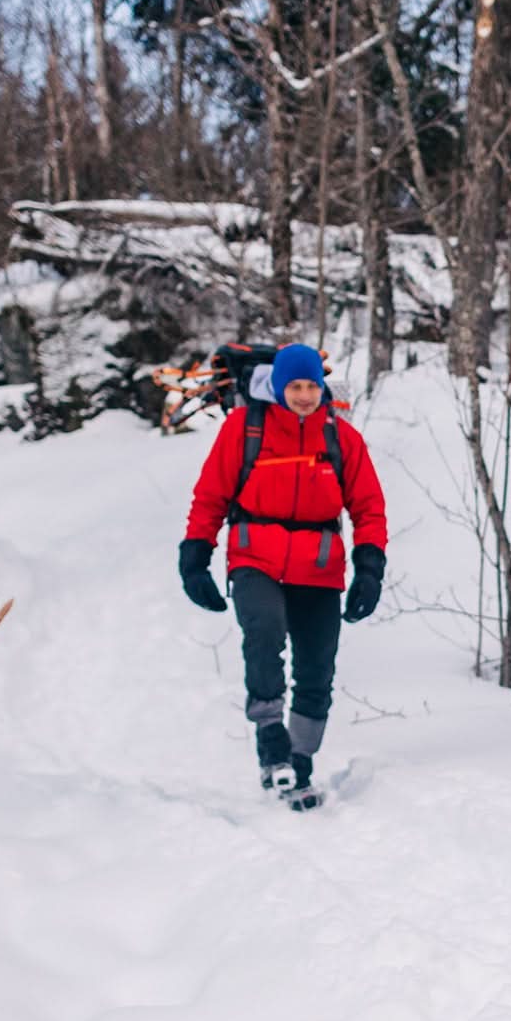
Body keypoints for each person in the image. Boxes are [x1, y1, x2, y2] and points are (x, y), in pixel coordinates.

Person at [178, 343, 388, 809]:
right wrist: (195, 556)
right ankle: (271, 739)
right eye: (295, 386)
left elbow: (369, 508)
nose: (305, 395)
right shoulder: (244, 428)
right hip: (255, 556)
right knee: (264, 634)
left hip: (319, 565)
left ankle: (300, 762)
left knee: (316, 668)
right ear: (278, 387)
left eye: (312, 386)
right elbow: (211, 496)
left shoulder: (342, 437)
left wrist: (370, 569)